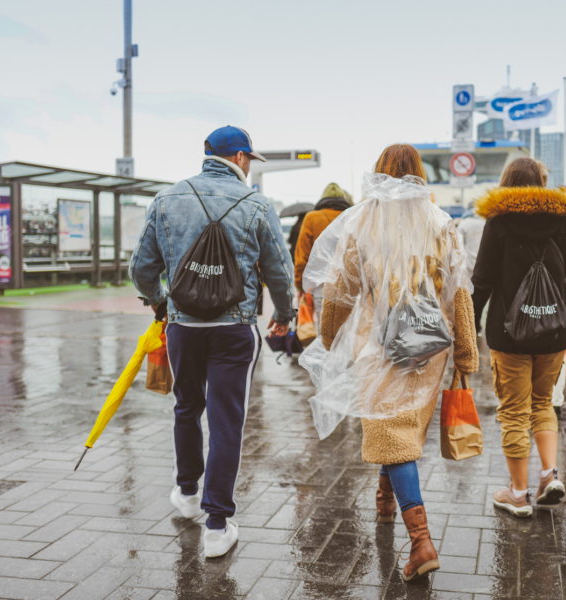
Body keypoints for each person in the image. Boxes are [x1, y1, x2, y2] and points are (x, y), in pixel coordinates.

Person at [304, 144, 478, 581]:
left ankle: (421, 542)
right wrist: (464, 352)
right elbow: (459, 291)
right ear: (419, 173)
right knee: (397, 425)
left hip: (377, 344)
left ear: (379, 174)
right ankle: (385, 501)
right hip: (428, 344)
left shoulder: (362, 220)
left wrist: (329, 337)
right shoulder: (440, 222)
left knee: (392, 433)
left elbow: (339, 286)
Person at [129, 125, 296, 558]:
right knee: (227, 421)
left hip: (183, 328)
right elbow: (279, 269)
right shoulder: (257, 204)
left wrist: (161, 305)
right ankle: (217, 525)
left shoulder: (167, 198)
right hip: (234, 330)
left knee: (186, 407)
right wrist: (283, 315)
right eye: (249, 159)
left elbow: (141, 269)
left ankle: (186, 495)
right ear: (240, 158)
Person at [471, 157, 566, 518]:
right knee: (543, 403)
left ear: (506, 182)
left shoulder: (498, 222)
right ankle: (548, 475)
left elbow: (482, 280)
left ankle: (517, 494)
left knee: (514, 412)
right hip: (555, 331)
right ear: (542, 182)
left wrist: (467, 327)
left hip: (509, 334)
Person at [294, 183, 353, 328]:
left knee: (325, 330)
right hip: (349, 284)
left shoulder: (312, 218)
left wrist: (300, 286)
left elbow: (302, 256)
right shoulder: (352, 216)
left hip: (321, 285)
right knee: (347, 331)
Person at [457, 202, 484, 331]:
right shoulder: (485, 222)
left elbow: (457, 246)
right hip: (483, 266)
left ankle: (469, 327)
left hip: (467, 268)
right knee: (481, 299)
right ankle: (477, 326)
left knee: (468, 300)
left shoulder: (464, 224)